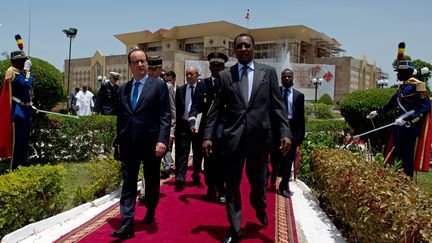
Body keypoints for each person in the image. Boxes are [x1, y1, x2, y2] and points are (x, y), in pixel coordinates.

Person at [202, 33, 292, 243]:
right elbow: (215, 110)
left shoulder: (268, 73)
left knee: (258, 183)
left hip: (260, 139)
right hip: (232, 140)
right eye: (239, 46)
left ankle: (259, 205)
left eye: (247, 45)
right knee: (232, 186)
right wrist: (208, 136)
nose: (243, 49)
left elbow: (278, 106)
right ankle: (234, 230)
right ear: (235, 50)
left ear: (253, 48)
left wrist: (285, 132)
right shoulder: (226, 76)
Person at [109, 48, 171, 239]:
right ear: (130, 66)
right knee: (128, 183)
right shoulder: (123, 88)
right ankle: (127, 224)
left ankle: (150, 210)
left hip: (152, 145)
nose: (140, 64)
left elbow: (165, 115)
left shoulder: (158, 86)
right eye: (135, 62)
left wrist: (162, 140)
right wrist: (118, 141)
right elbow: (121, 117)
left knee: (151, 181)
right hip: (129, 144)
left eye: (142, 61)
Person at [367, 58, 431, 177]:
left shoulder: (417, 86)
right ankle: (398, 180)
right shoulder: (402, 86)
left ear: (407, 72)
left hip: (410, 127)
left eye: (399, 72)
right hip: (399, 127)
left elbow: (425, 107)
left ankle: (407, 181)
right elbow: (392, 102)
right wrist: (377, 112)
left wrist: (408, 119)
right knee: (397, 153)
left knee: (408, 156)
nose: (397, 74)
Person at [189, 51, 228, 204]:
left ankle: (222, 190)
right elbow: (195, 106)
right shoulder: (202, 84)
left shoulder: (228, 83)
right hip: (206, 130)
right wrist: (192, 123)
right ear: (209, 67)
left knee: (222, 161)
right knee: (209, 160)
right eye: (213, 65)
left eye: (219, 65)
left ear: (224, 67)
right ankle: (211, 188)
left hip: (223, 129)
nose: (215, 68)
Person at [270, 68, 305, 197]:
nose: (287, 79)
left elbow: (301, 118)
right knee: (274, 158)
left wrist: (299, 139)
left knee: (288, 160)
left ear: (293, 78)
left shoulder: (299, 96)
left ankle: (284, 186)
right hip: (276, 129)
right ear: (281, 78)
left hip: (291, 130)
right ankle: (274, 173)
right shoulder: (275, 92)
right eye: (284, 77)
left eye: (289, 77)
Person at [0, 50, 33, 170]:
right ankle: (15, 167)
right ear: (15, 61)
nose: (24, 62)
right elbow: (26, 85)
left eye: (25, 60)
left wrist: (30, 104)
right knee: (17, 143)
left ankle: (23, 165)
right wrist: (28, 71)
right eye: (22, 60)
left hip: (26, 110)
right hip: (18, 112)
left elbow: (27, 91)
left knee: (24, 142)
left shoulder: (22, 74)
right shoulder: (13, 74)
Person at [174, 66, 204, 191]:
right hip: (183, 126)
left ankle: (196, 175)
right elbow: (176, 109)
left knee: (197, 153)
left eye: (192, 74)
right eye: (187, 74)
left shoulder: (203, 89)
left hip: (198, 126)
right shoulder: (180, 90)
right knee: (182, 153)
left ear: (197, 75)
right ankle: (180, 178)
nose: (189, 77)